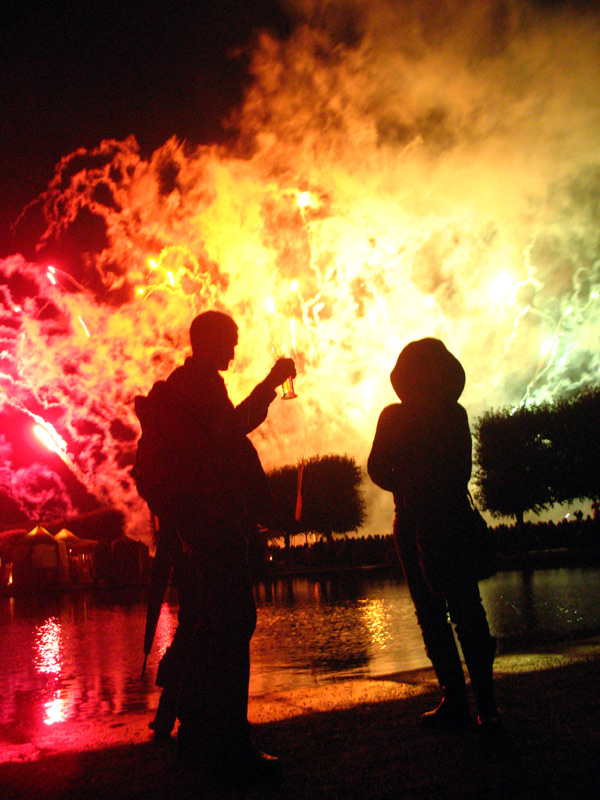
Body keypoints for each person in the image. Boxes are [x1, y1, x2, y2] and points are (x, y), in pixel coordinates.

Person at [143, 310, 295, 784]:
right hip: (211, 524)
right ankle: (230, 741)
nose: (234, 349)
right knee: (232, 626)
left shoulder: (189, 383)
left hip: (199, 525)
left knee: (212, 626)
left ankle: (200, 732)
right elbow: (231, 432)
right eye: (229, 341)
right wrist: (271, 383)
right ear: (208, 341)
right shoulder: (201, 384)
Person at [367, 338, 499, 730]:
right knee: (464, 612)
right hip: (444, 520)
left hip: (417, 520)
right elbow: (460, 473)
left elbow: (377, 469)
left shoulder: (396, 417)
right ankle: (481, 704)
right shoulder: (453, 415)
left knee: (436, 615)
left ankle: (457, 699)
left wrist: (405, 484)